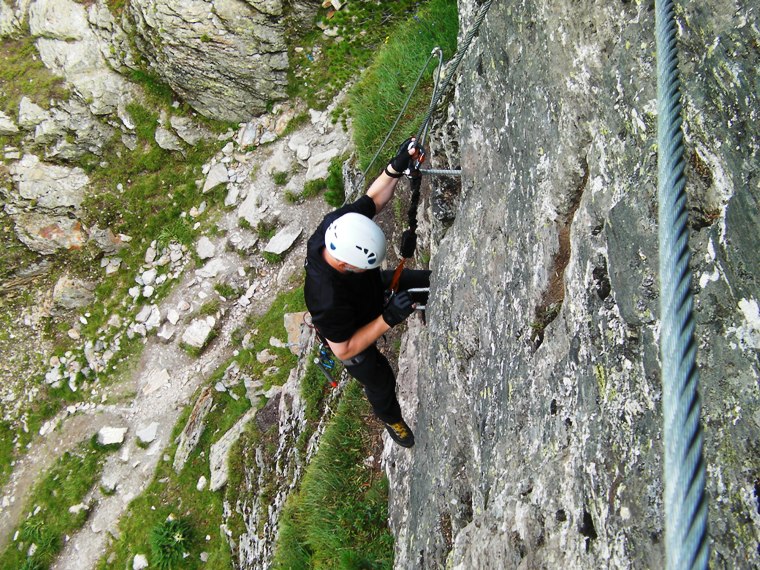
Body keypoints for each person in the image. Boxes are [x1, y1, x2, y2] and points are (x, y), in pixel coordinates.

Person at [304, 138, 431, 448]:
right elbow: (344, 349)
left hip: (373, 292)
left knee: (432, 283)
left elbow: (373, 199)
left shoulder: (340, 227)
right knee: (380, 380)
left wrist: (395, 167)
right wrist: (387, 318)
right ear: (347, 264)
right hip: (350, 331)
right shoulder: (326, 299)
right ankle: (392, 420)